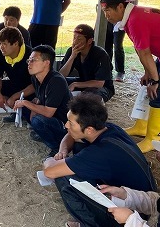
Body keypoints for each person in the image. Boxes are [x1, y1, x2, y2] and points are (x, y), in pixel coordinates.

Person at [43, 93, 156, 227]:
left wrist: (50, 160)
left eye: (70, 123)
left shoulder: (99, 153)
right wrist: (63, 150)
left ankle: (92, 224)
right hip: (141, 197)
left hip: (135, 211)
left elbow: (49, 171)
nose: (66, 125)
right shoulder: (109, 129)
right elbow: (71, 135)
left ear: (89, 130)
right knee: (79, 145)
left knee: (64, 178)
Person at [100, 0, 160, 153]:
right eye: (104, 12)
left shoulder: (135, 20)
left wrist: (155, 80)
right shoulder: (130, 17)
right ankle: (142, 126)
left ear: (120, 7)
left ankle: (154, 137)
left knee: (156, 92)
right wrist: (148, 74)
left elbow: (145, 53)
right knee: (147, 84)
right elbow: (141, 50)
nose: (107, 16)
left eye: (108, 11)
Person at [13, 45, 71, 157]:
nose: (29, 63)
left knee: (37, 120)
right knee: (25, 108)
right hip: (51, 116)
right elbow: (40, 97)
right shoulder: (36, 77)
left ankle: (57, 146)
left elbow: (49, 112)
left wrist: (26, 103)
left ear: (46, 63)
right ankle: (41, 132)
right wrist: (32, 103)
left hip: (65, 124)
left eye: (33, 60)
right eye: (29, 60)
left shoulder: (56, 81)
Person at [0, 27, 34, 123]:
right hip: (14, 84)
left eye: (4, 44)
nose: (1, 47)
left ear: (16, 43)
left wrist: (14, 96)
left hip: (30, 89)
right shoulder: (1, 54)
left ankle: (24, 111)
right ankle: (15, 111)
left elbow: (36, 84)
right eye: (0, 44)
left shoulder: (30, 55)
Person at [59, 24, 115, 102]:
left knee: (91, 97)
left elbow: (99, 83)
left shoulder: (100, 54)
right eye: (74, 37)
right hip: (83, 81)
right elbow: (61, 75)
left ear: (89, 41)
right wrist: (72, 57)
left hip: (102, 87)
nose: (75, 41)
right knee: (57, 81)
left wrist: (75, 84)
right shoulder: (72, 51)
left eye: (79, 39)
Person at [104, 0, 138, 82]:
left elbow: (134, 6)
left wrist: (124, 22)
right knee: (106, 45)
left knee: (117, 45)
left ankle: (120, 71)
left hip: (121, 22)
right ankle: (107, 69)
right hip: (107, 20)